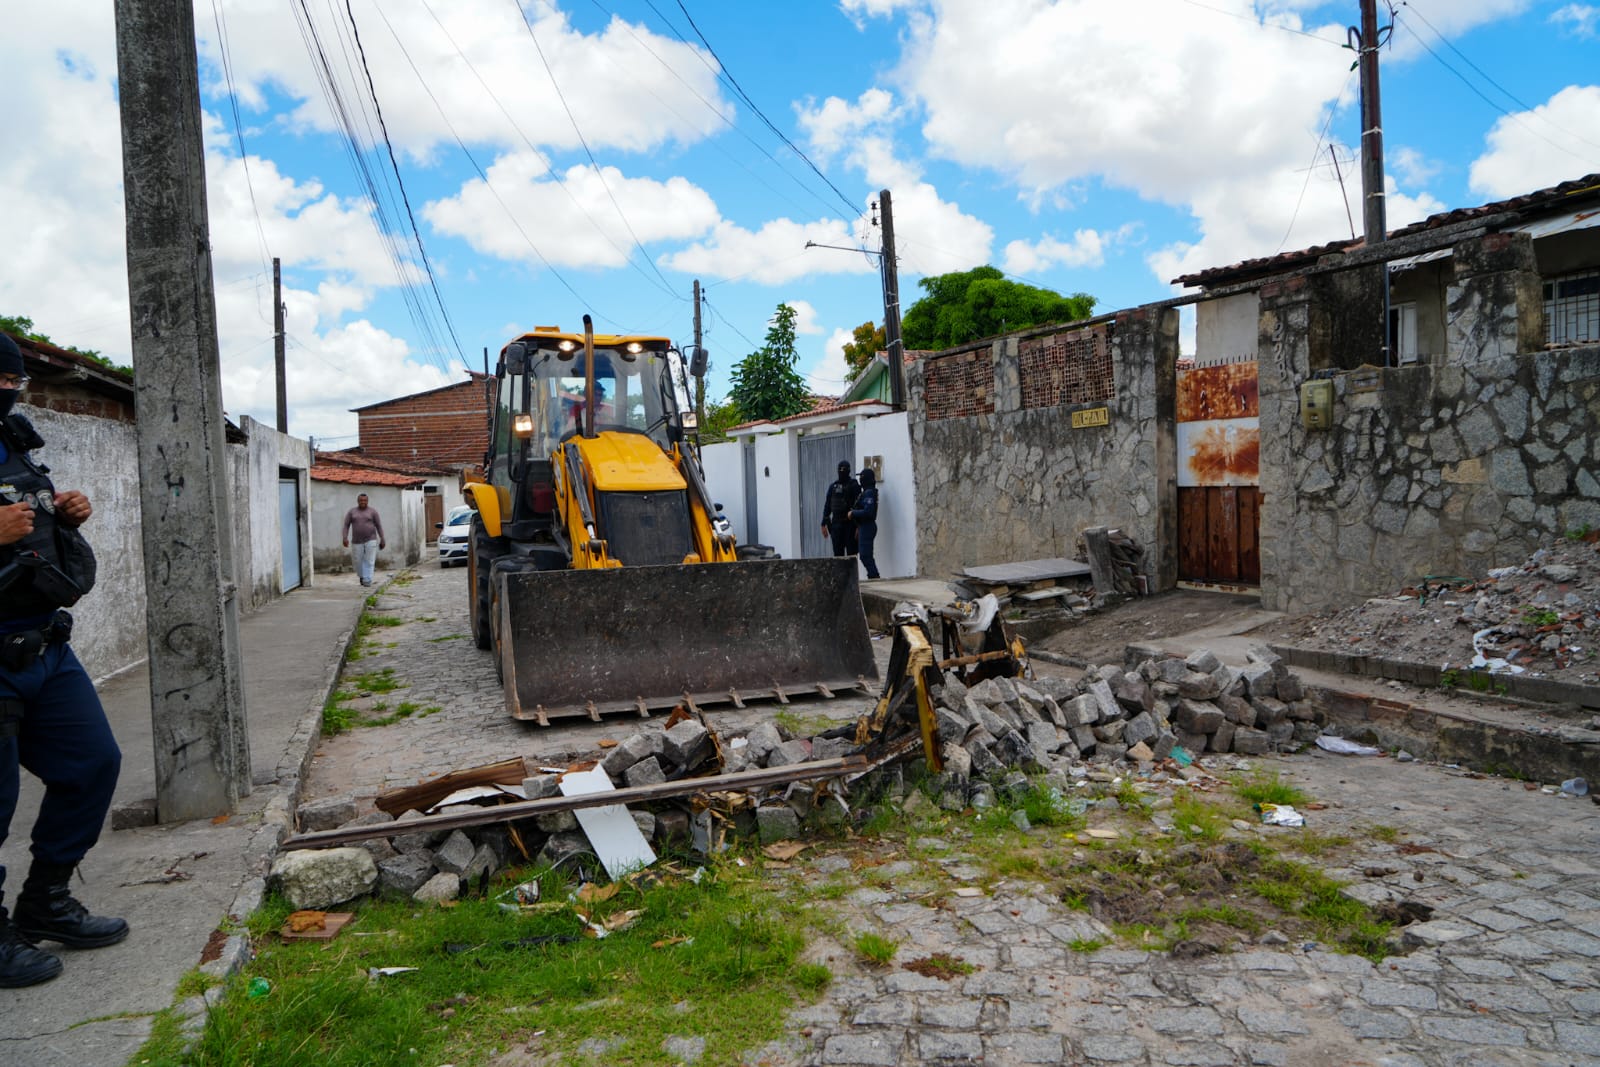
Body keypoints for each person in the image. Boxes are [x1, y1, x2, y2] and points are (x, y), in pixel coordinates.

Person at [0, 333, 128, 988]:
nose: (6, 391)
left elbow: (31, 532)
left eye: (10, 381)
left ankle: (43, 900)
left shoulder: (16, 440)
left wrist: (66, 515)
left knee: (93, 763)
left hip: (42, 642)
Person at [341, 493, 386, 587]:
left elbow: (379, 526)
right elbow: (346, 525)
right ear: (358, 501)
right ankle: (362, 576)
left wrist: (382, 538)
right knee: (358, 560)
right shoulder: (352, 512)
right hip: (356, 541)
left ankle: (367, 579)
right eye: (361, 500)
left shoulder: (372, 512)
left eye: (365, 500)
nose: (363, 502)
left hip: (371, 539)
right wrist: (345, 537)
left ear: (367, 501)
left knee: (369, 560)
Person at [820, 460, 860, 559]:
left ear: (848, 471)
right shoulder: (833, 487)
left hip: (850, 525)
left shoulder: (854, 485)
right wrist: (823, 523)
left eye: (844, 470)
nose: (842, 472)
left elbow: (859, 506)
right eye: (840, 470)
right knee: (838, 556)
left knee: (852, 556)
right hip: (836, 525)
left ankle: (852, 575)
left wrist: (859, 526)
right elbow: (828, 505)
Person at [849, 466, 881, 580]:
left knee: (865, 555)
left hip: (867, 526)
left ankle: (874, 576)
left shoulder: (869, 493)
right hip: (864, 526)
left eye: (862, 478)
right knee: (865, 555)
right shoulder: (867, 492)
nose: (860, 481)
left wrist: (853, 513)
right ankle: (873, 576)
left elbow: (868, 512)